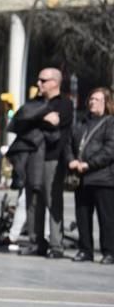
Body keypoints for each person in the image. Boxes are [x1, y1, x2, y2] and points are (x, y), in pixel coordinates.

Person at [15, 68, 74, 258]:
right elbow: (20, 120)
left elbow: (59, 123)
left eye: (43, 80)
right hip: (33, 156)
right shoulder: (35, 102)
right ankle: (35, 242)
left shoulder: (65, 104)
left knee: (52, 200)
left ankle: (56, 245)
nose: (38, 84)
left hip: (53, 158)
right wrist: (42, 117)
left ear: (55, 82)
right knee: (32, 201)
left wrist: (36, 118)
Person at [66, 88, 114, 264]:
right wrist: (71, 160)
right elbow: (69, 144)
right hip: (81, 178)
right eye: (91, 99)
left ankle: (109, 251)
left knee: (106, 218)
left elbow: (109, 150)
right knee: (82, 215)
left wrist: (89, 164)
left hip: (103, 178)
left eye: (97, 99)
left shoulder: (110, 123)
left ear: (106, 102)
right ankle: (85, 249)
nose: (92, 102)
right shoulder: (82, 122)